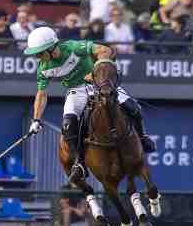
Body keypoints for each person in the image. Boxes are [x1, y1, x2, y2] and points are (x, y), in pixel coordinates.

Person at [23, 26, 155, 184]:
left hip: (99, 84)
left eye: (39, 53)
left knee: (132, 107)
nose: (38, 57)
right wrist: (36, 120)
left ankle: (142, 137)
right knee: (67, 124)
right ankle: (79, 163)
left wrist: (95, 73)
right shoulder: (43, 69)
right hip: (76, 91)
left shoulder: (74, 47)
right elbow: (41, 94)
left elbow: (105, 50)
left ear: (51, 48)